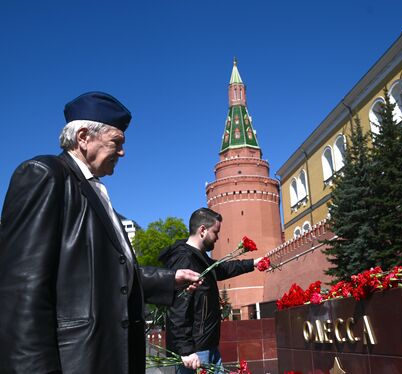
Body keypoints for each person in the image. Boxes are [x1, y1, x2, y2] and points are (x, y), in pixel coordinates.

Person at [0, 91, 201, 374]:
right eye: (116, 142)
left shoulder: (94, 189)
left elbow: (105, 272)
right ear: (83, 137)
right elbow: (22, 289)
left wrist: (169, 280)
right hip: (76, 361)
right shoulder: (45, 174)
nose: (122, 152)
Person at [158, 208, 262, 373]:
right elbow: (177, 308)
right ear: (202, 230)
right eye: (215, 232)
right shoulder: (184, 258)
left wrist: (253, 263)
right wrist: (186, 350)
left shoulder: (199, 257)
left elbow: (221, 268)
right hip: (196, 351)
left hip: (208, 345)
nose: (218, 237)